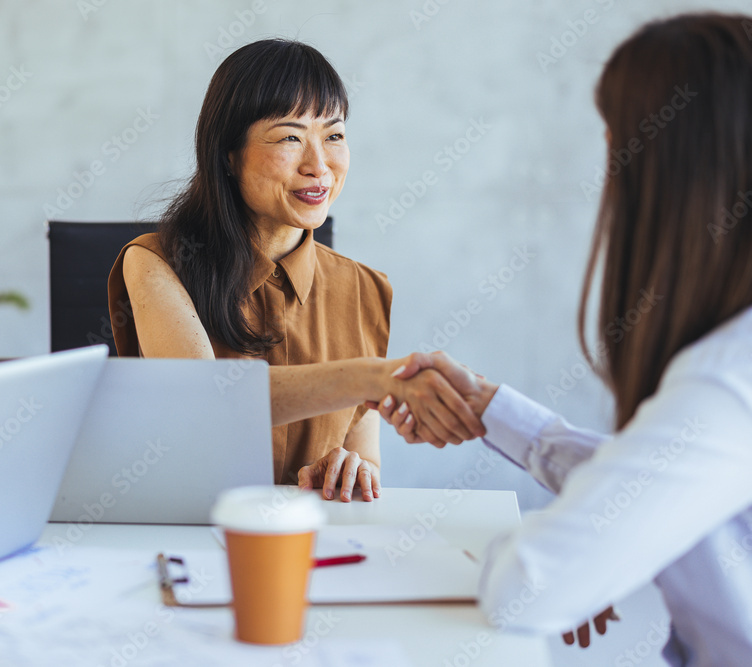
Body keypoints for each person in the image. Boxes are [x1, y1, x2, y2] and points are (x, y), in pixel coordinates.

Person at [375, 13, 752, 664]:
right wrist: (496, 411)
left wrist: (568, 548)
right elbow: (668, 476)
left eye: (618, 143)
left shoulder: (748, 369)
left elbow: (529, 585)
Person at [107, 39, 483, 502]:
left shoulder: (365, 289)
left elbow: (367, 462)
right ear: (229, 154)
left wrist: (350, 468)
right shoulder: (154, 262)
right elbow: (206, 405)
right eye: (290, 137)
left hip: (312, 544)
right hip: (188, 536)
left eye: (334, 135)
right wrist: (373, 376)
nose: (319, 165)